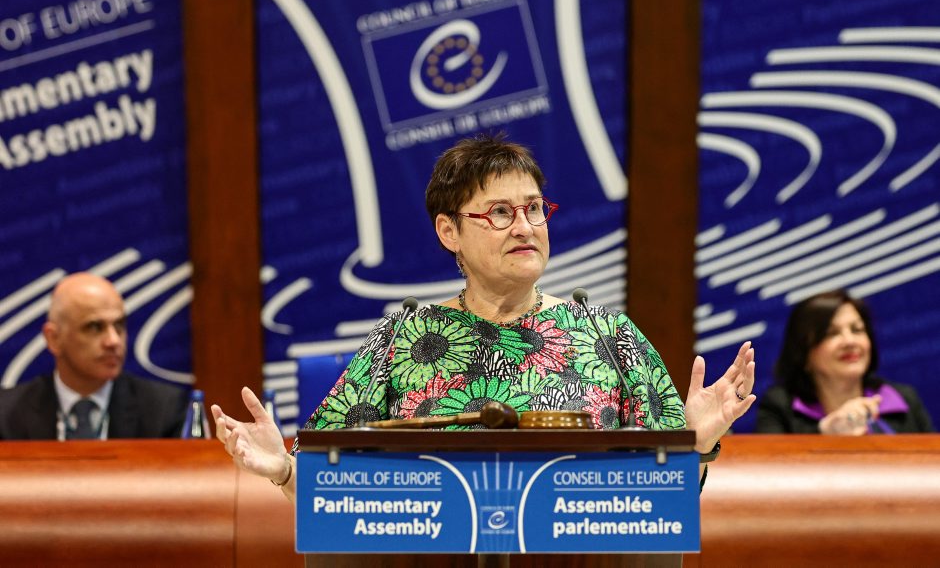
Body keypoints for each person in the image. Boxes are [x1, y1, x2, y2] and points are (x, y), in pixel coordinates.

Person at [211, 133, 757, 500]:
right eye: (499, 212)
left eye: (534, 208)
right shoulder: (405, 337)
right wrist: (283, 469)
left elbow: (666, 500)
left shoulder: (609, 335)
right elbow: (332, 490)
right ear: (449, 231)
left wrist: (695, 444)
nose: (525, 226)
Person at [0, 272, 188, 440]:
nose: (113, 341)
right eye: (94, 327)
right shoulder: (6, 414)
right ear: (54, 338)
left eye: (119, 325)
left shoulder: (165, 411)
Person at [756, 289, 934, 434]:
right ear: (803, 352)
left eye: (857, 330)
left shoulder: (903, 398)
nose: (850, 341)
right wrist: (824, 435)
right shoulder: (779, 408)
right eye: (832, 333)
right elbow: (770, 465)